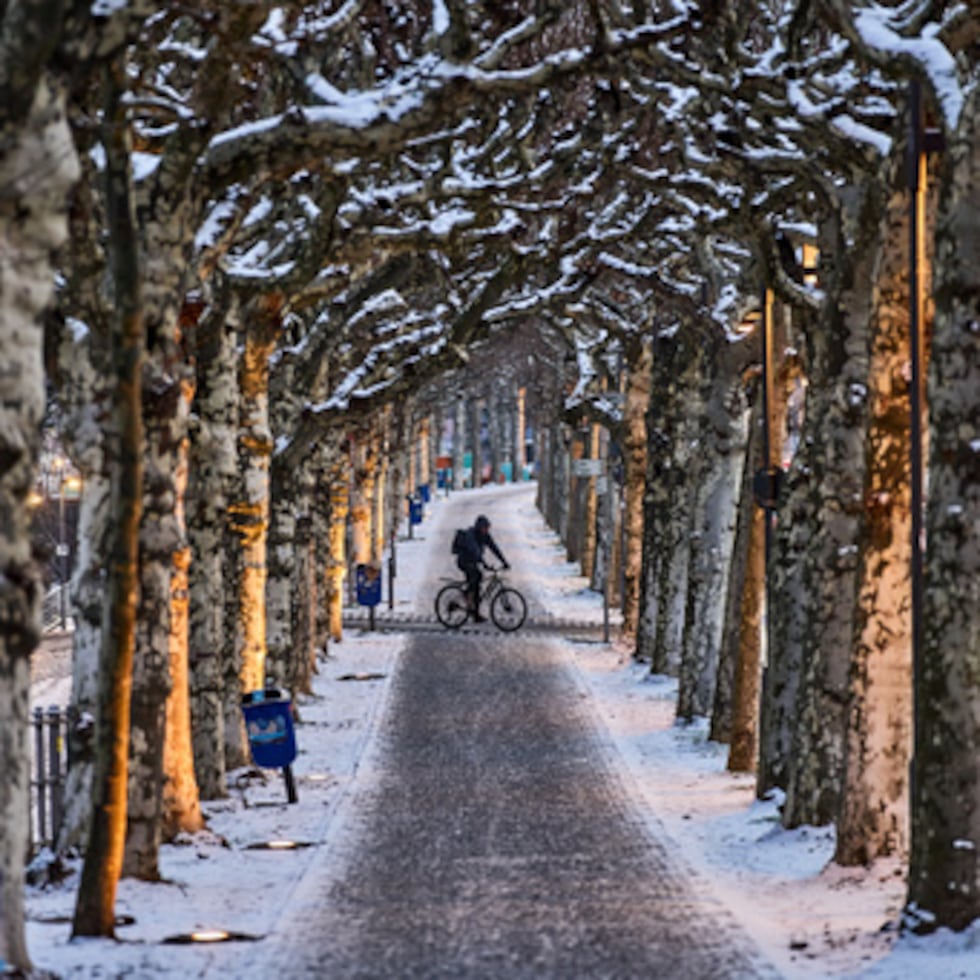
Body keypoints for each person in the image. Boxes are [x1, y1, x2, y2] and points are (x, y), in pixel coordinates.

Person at [455, 514, 509, 622]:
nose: (486, 530)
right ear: (479, 527)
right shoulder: (471, 535)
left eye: (487, 528)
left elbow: (494, 548)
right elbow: (475, 551)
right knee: (476, 577)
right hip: (464, 561)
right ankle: (468, 596)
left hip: (473, 561)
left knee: (478, 584)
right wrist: (484, 564)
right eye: (485, 528)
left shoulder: (485, 536)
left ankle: (475, 611)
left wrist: (504, 562)